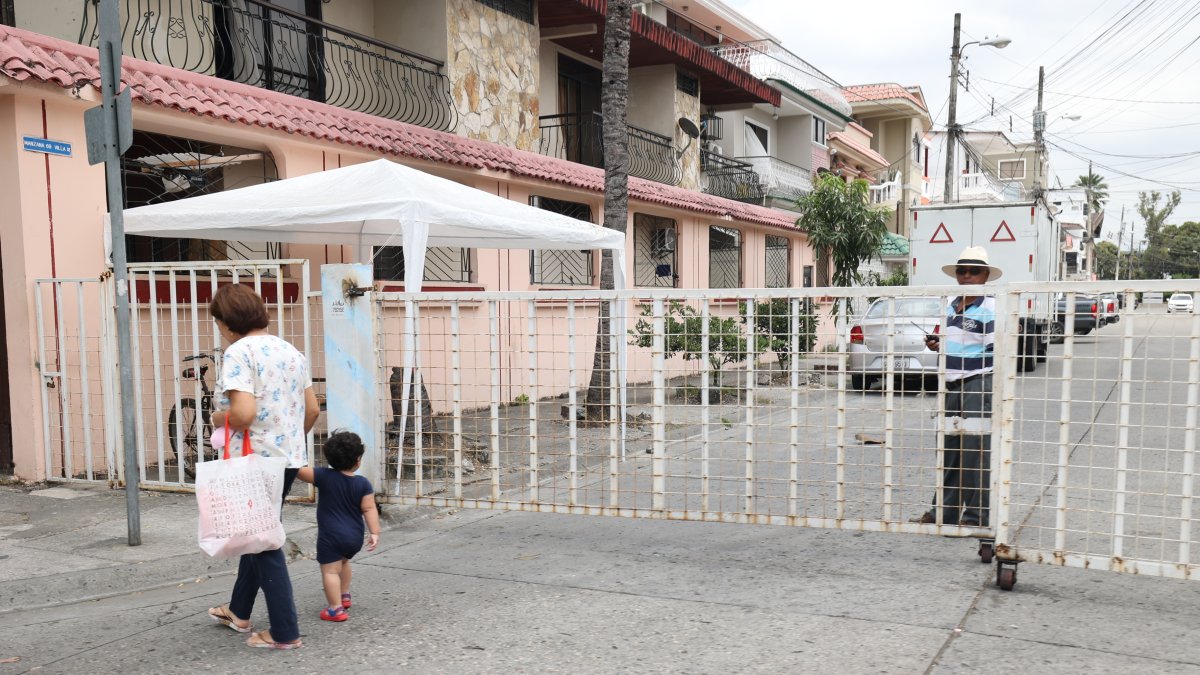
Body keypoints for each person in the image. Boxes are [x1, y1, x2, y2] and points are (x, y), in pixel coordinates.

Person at [205, 284, 320, 650]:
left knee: (263, 542)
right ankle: (238, 611)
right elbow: (313, 410)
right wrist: (285, 441)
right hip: (287, 459)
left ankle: (285, 631)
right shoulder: (290, 351)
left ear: (225, 322)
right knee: (257, 533)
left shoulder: (238, 352)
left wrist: (217, 417)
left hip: (253, 463)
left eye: (218, 322)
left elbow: (242, 413)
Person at [912, 246, 1001, 530]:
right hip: (952, 384)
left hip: (978, 382)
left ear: (986, 275)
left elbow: (998, 349)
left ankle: (976, 517)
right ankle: (944, 514)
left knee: (975, 450)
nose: (967, 276)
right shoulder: (950, 305)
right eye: (962, 271)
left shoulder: (991, 308)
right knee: (950, 449)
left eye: (974, 271)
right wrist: (937, 344)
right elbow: (950, 340)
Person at [296, 431, 380, 622]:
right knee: (344, 562)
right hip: (354, 537)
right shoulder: (363, 483)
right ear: (358, 460)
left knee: (330, 571)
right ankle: (344, 595)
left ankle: (335, 608)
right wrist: (375, 532)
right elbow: (369, 508)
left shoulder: (323, 476)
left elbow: (299, 471)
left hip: (331, 537)